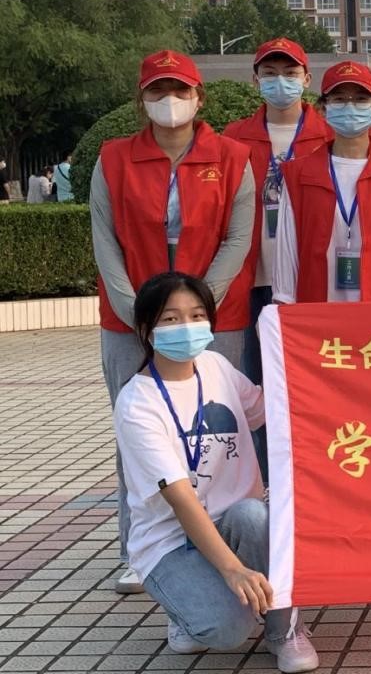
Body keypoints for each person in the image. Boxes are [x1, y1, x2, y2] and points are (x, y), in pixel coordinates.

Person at [91, 50, 254, 594]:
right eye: (158, 91)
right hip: (129, 322)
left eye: (180, 90)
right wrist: (137, 314)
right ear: (141, 101)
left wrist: (198, 306)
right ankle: (140, 551)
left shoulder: (231, 156)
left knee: (216, 429)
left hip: (214, 319)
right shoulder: (114, 158)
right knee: (138, 437)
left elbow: (238, 237)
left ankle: (222, 543)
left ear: (198, 97)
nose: (170, 100)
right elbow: (105, 240)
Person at [113, 272, 318, 672]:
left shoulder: (215, 365)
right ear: (146, 328)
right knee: (226, 629)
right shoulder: (138, 404)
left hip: (234, 520)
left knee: (256, 515)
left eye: (196, 315)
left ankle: (284, 631)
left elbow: (271, 413)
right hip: (171, 540)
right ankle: (186, 611)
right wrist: (233, 569)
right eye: (171, 318)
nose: (186, 327)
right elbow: (181, 499)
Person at [273, 61, 371, 303]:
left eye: (360, 99)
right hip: (317, 309)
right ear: (323, 108)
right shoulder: (298, 174)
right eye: (339, 99)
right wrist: (284, 302)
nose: (350, 107)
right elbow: (287, 251)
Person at [222, 39, 333, 382]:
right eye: (270, 73)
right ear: (255, 80)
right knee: (254, 380)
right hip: (252, 278)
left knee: (308, 378)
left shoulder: (329, 135)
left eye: (290, 73)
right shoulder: (234, 137)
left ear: (306, 79)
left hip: (309, 277)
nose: (280, 81)